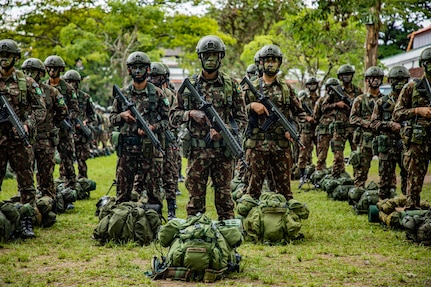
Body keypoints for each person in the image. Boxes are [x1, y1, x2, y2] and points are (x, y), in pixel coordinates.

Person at [170, 35, 247, 220]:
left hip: (223, 153)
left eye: (214, 55)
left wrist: (225, 131)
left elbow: (242, 119)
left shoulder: (232, 86)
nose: (210, 59)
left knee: (226, 203)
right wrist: (190, 114)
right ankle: (195, 241)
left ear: (221, 57)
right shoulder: (189, 87)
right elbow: (173, 116)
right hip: (198, 152)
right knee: (195, 203)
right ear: (200, 57)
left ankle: (229, 243)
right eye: (206, 55)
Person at [242, 44, 310, 201]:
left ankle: (284, 221)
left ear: (279, 63)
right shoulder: (250, 86)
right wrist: (251, 106)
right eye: (267, 61)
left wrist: (293, 128)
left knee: (284, 191)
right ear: (261, 63)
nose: (270, 64)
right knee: (252, 190)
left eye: (274, 61)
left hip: (281, 146)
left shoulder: (286, 89)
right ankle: (252, 222)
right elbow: (235, 113)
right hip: (257, 146)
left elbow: (300, 114)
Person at [0, 39, 47, 238]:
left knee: (27, 183)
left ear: (16, 58)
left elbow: (40, 109)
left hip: (19, 140)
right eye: (1, 56)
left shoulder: (26, 82)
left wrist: (28, 122)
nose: (3, 60)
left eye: (8, 56)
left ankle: (26, 220)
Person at [110, 51, 169, 207]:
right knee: (122, 195)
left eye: (141, 68)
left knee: (154, 195)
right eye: (134, 68)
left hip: (149, 151)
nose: (137, 71)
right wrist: (122, 116)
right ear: (129, 70)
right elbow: (111, 119)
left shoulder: (157, 94)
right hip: (127, 150)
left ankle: (152, 224)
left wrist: (153, 127)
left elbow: (168, 121)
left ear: (148, 69)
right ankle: (123, 224)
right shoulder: (122, 94)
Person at [21, 58, 67, 204]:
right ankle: (28, 207)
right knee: (25, 176)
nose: (29, 75)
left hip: (45, 139)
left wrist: (50, 123)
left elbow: (62, 112)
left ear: (41, 74)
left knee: (46, 176)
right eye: (26, 72)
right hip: (26, 139)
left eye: (32, 72)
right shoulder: (20, 92)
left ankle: (49, 206)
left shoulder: (52, 92)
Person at [393, 47, 431, 210]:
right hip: (418, 141)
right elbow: (397, 113)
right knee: (415, 178)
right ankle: (412, 210)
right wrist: (417, 110)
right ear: (424, 64)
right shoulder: (412, 87)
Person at [370, 66, 409, 199]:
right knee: (385, 180)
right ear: (390, 81)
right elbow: (373, 124)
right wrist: (389, 125)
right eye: (396, 80)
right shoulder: (382, 102)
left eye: (402, 80)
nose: (399, 83)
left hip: (405, 144)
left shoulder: (411, 103)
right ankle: (383, 207)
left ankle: (408, 205)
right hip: (387, 146)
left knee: (408, 177)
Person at [148, 61, 179, 220]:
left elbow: (173, 120)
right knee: (152, 176)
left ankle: (171, 208)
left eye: (156, 76)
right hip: (150, 142)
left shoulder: (169, 95)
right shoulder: (146, 94)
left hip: (166, 141)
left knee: (169, 175)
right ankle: (154, 208)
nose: (153, 79)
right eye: (151, 76)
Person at [44, 55, 79, 190]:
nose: (52, 71)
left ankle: (70, 189)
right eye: (50, 68)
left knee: (67, 160)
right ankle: (47, 190)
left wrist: (66, 119)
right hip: (47, 130)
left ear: (60, 69)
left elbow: (75, 109)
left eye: (55, 68)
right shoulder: (42, 87)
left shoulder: (68, 88)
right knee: (46, 162)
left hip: (64, 130)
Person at [350, 66, 384, 188]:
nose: (375, 81)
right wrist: (368, 123)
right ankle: (358, 195)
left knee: (386, 171)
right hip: (365, 140)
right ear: (367, 80)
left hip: (382, 139)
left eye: (378, 78)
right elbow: (353, 118)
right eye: (372, 78)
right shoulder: (360, 99)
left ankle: (385, 195)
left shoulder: (385, 99)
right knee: (361, 171)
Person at [63, 69, 95, 179]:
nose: (71, 84)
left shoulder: (85, 97)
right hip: (67, 133)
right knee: (65, 160)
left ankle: (83, 182)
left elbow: (92, 115)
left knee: (82, 161)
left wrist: (85, 122)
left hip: (81, 134)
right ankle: (65, 182)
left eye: (74, 82)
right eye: (69, 81)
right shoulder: (62, 97)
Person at [297, 77, 319, 187]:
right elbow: (298, 112)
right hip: (305, 130)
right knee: (303, 153)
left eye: (314, 84)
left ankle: (319, 175)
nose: (312, 86)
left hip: (317, 129)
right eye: (310, 84)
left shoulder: (320, 99)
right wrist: (307, 118)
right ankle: (302, 176)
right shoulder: (303, 100)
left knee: (320, 153)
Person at [337, 64, 363, 152]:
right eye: (345, 75)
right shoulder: (336, 90)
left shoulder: (357, 90)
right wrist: (336, 104)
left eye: (349, 75)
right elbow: (323, 106)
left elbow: (363, 106)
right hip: (340, 127)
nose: (347, 77)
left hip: (354, 126)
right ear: (340, 76)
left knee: (357, 154)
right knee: (338, 156)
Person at [314, 78, 338, 174]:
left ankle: (337, 172)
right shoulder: (322, 100)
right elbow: (316, 114)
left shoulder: (341, 100)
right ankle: (319, 172)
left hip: (336, 130)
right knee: (322, 153)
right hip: (324, 130)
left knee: (337, 152)